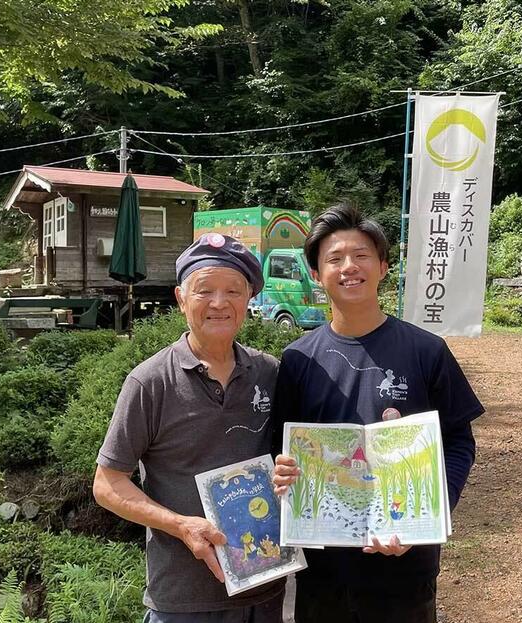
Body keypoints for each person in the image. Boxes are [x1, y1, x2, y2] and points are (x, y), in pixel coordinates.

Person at [271, 203, 484, 623]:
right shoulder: (298, 359)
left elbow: (459, 441)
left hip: (405, 563)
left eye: (362, 255)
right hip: (323, 569)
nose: (349, 267)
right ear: (316, 274)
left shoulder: (426, 351)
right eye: (334, 259)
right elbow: (278, 450)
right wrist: (282, 473)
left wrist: (433, 511)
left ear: (384, 266)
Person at [93, 233, 284, 623]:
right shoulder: (150, 382)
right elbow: (107, 484)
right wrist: (181, 525)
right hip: (183, 600)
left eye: (233, 290)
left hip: (265, 590)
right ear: (181, 299)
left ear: (249, 299)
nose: (219, 303)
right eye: (204, 291)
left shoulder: (270, 372)